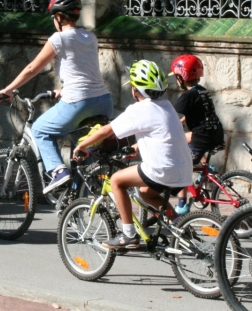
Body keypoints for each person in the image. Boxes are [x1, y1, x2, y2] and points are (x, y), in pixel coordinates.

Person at [0, 0, 113, 193]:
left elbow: (33, 68)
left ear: (58, 17)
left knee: (40, 129)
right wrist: (64, 88)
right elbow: (84, 70)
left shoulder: (59, 38)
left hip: (79, 102)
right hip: (103, 100)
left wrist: (8, 89)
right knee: (84, 149)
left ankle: (58, 171)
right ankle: (79, 200)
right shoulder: (90, 37)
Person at [73, 60, 193, 250]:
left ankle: (128, 235)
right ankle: (182, 226)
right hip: (184, 169)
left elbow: (107, 131)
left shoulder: (139, 109)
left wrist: (83, 145)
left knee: (116, 181)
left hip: (161, 169)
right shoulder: (167, 105)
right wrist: (137, 147)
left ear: (135, 90)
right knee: (147, 193)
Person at [169, 54, 224, 215]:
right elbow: (201, 112)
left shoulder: (187, 95)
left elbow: (169, 114)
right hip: (215, 133)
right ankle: (206, 170)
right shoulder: (202, 91)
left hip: (202, 138)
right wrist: (183, 121)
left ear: (181, 77)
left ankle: (182, 205)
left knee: (181, 165)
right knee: (185, 141)